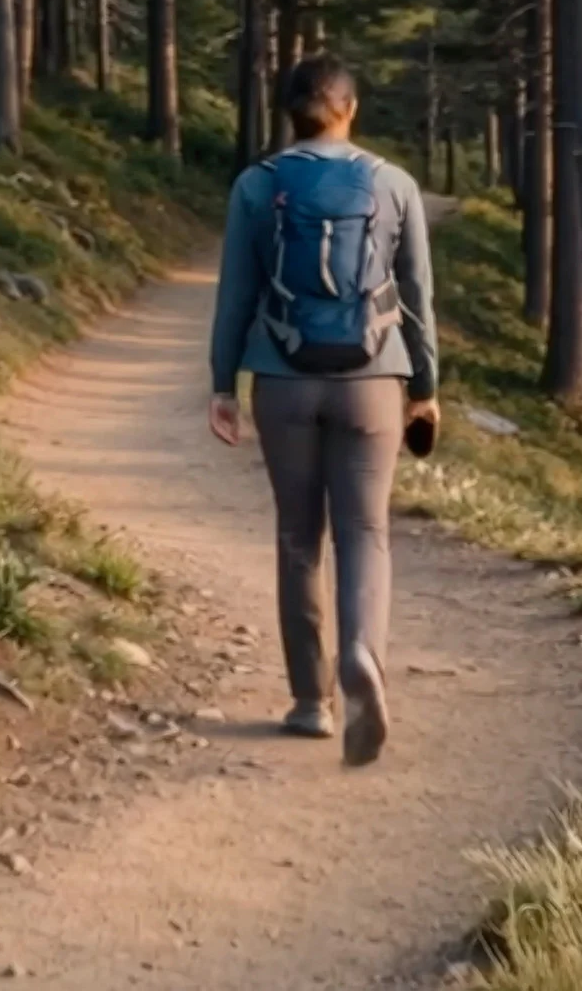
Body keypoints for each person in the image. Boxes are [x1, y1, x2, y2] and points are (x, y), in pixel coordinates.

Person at [206, 54, 439, 768]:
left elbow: (235, 294)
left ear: (290, 114)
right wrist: (425, 387)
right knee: (365, 530)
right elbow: (417, 297)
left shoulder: (257, 185)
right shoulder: (393, 184)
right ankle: (362, 654)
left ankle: (311, 701)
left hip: (282, 377)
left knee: (298, 536)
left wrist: (222, 384)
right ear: (351, 110)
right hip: (374, 379)